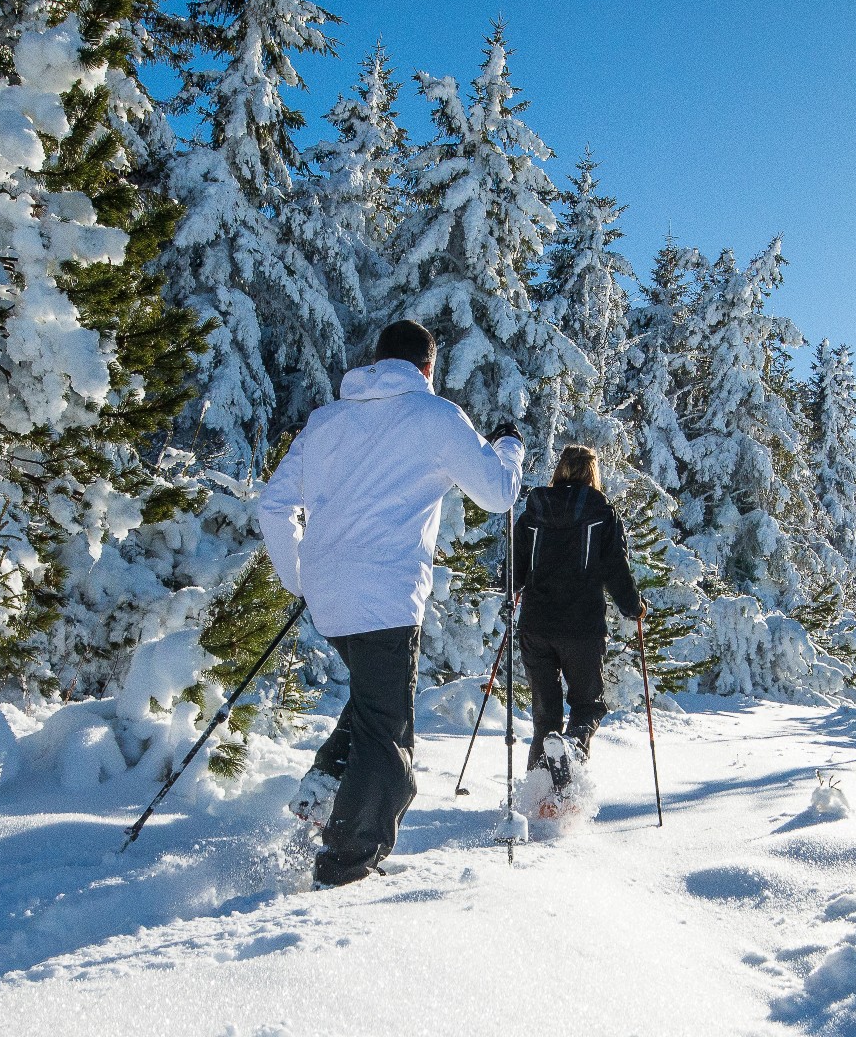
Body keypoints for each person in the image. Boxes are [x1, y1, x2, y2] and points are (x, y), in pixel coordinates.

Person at [259, 319, 524, 888]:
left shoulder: (326, 420)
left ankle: (320, 798)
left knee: (369, 705)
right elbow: (498, 494)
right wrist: (508, 448)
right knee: (388, 737)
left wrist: (300, 577)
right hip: (385, 601)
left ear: (377, 363)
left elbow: (273, 506)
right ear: (428, 368)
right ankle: (346, 866)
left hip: (331, 599)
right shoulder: (435, 417)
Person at [512, 444, 643, 788]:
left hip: (535, 626)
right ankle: (570, 752)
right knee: (588, 706)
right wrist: (634, 607)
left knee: (546, 718)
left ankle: (538, 796)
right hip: (581, 628)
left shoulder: (532, 513)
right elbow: (615, 567)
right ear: (591, 472)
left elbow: (512, 575)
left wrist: (513, 590)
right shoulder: (602, 513)